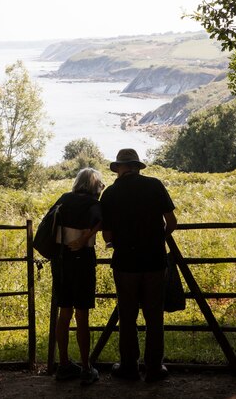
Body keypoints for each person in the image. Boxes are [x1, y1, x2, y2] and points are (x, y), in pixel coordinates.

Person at [100, 148, 177, 383]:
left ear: (119, 168)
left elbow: (107, 235)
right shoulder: (155, 185)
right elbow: (172, 222)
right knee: (154, 316)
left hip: (125, 263)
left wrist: (120, 241)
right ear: (137, 166)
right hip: (154, 260)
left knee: (128, 315)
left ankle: (129, 367)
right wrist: (156, 240)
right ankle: (154, 368)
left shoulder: (110, 193)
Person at [50, 167, 104, 386]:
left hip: (61, 261)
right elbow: (103, 221)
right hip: (83, 260)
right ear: (95, 185)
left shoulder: (64, 199)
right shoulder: (94, 205)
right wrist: (85, 238)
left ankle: (63, 365)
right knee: (82, 315)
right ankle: (86, 367)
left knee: (64, 312)